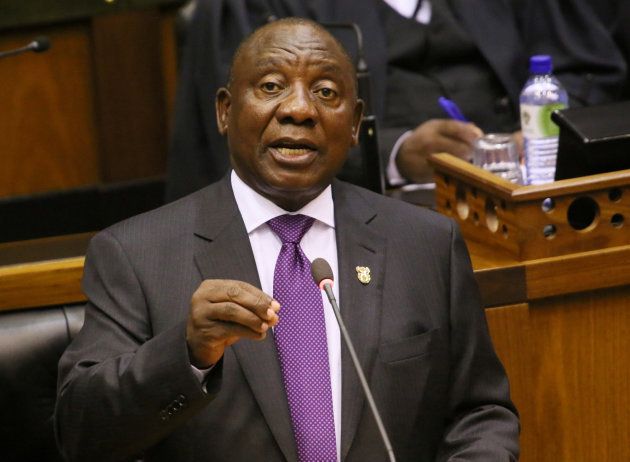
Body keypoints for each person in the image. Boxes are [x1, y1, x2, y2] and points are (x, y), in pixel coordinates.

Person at [56, 18, 519, 461]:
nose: (299, 109)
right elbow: (82, 435)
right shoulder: (136, 254)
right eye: (271, 87)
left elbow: (480, 413)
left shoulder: (425, 243)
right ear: (225, 111)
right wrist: (187, 353)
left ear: (355, 123)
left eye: (326, 92)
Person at [165, 0, 627, 198]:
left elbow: (588, 71)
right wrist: (399, 152)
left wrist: (540, 132)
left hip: (522, 197)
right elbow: (257, 133)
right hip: (365, 223)